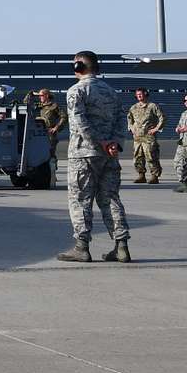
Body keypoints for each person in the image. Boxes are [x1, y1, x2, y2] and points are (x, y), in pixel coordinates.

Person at [57, 51, 131, 263]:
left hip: (83, 153)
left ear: (78, 67)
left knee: (80, 199)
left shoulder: (76, 90)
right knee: (110, 198)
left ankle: (81, 247)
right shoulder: (110, 91)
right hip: (109, 155)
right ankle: (121, 246)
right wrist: (114, 143)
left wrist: (100, 142)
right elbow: (121, 119)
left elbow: (79, 122)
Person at [127, 87, 165, 184]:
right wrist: (132, 128)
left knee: (151, 156)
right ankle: (141, 175)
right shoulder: (133, 107)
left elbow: (162, 117)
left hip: (148, 137)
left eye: (141, 94)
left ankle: (154, 176)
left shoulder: (152, 106)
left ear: (145, 94)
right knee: (138, 157)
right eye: (137, 94)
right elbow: (129, 119)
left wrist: (156, 129)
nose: (139, 95)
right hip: (137, 137)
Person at [36, 88, 66, 184]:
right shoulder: (38, 106)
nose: (39, 97)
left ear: (47, 96)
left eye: (41, 95)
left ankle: (52, 175)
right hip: (38, 134)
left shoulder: (54, 106)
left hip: (49, 134)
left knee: (50, 155)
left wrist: (56, 127)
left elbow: (64, 116)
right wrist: (30, 94)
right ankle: (42, 174)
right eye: (39, 96)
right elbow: (25, 102)